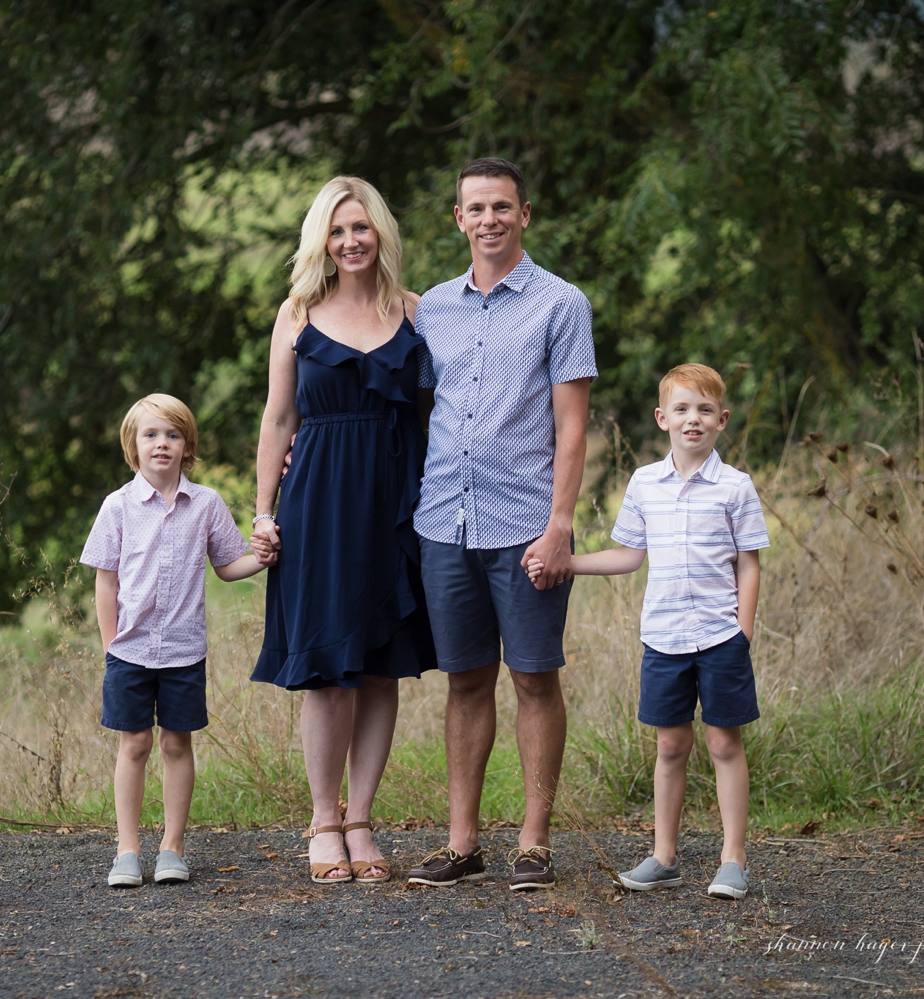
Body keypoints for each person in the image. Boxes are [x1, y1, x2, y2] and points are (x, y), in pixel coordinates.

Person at [406, 158, 596, 892]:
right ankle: (462, 843)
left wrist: (559, 525)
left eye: (502, 207)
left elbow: (572, 429)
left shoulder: (561, 304)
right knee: (463, 682)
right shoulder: (435, 310)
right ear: (458, 218)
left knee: (535, 678)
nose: (489, 219)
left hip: (526, 525)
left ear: (525, 214)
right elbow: (425, 410)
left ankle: (533, 842)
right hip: (444, 523)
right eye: (475, 208)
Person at [250, 176, 437, 886]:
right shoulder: (297, 313)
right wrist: (264, 511)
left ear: (380, 234)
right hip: (319, 501)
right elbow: (277, 420)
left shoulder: (416, 310)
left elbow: (433, 415)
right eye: (337, 231)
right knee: (328, 669)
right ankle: (323, 820)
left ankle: (361, 817)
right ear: (321, 241)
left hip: (396, 501)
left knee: (381, 664)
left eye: (361, 228)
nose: (351, 241)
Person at [525, 363, 769, 899]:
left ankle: (733, 859)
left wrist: (742, 633)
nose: (693, 420)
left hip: (720, 636)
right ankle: (664, 856)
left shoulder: (735, 488)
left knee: (724, 743)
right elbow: (630, 556)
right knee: (670, 745)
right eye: (682, 409)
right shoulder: (645, 484)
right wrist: (566, 562)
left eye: (705, 410)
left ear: (722, 420)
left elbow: (748, 564)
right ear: (662, 418)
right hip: (663, 639)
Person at [80, 394, 266, 888]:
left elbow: (229, 566)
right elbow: (106, 582)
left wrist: (264, 556)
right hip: (129, 650)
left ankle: (172, 847)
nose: (162, 443)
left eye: (173, 434)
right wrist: (109, 646)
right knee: (134, 744)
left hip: (184, 651)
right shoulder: (117, 507)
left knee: (176, 745)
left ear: (187, 447)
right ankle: (127, 850)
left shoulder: (204, 504)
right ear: (133, 446)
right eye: (151, 434)